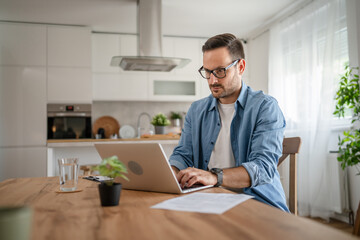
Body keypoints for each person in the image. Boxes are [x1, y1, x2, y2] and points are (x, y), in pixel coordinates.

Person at [169, 33, 289, 212]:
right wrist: (169, 174)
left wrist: (214, 176)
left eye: (220, 71)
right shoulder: (196, 110)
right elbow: (183, 155)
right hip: (211, 200)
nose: (213, 80)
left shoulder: (265, 107)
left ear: (240, 66)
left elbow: (263, 167)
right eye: (207, 72)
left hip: (259, 204)